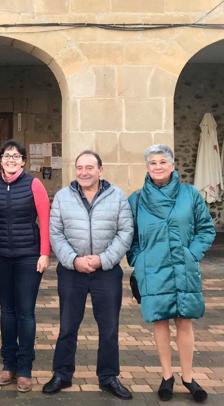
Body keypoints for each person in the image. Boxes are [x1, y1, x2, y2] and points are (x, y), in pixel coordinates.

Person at [127, 144, 215, 403]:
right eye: (153, 162)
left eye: (163, 162)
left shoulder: (190, 195)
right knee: (160, 322)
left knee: (184, 321)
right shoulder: (137, 199)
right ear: (147, 167)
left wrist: (192, 254)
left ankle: (188, 377)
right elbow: (129, 236)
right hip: (152, 270)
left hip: (182, 266)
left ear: (173, 165)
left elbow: (206, 229)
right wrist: (138, 259)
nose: (158, 166)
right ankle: (167, 376)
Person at [43, 150, 133, 400]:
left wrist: (104, 260)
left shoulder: (117, 197)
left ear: (100, 170)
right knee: (68, 325)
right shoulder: (63, 196)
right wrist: (74, 260)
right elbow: (55, 233)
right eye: (79, 167)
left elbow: (126, 231)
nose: (84, 172)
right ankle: (62, 374)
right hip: (72, 272)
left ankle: (108, 377)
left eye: (89, 167)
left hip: (107, 272)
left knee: (109, 328)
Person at [0, 140, 50, 392]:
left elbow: (45, 219)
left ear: (23, 161)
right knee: (7, 312)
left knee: (25, 312)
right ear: (0, 160)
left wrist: (44, 253)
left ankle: (25, 369)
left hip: (28, 256)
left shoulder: (34, 185)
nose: (10, 159)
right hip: (0, 257)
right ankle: (8, 364)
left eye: (16, 156)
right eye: (6, 155)